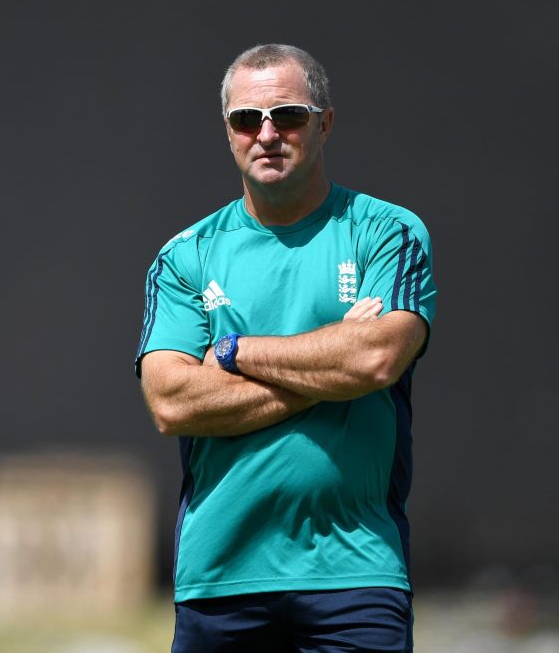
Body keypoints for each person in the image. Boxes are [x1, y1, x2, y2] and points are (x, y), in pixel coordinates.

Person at [136, 43, 435, 652]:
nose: (267, 133)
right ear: (228, 132)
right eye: (247, 119)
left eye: (289, 115)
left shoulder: (388, 231)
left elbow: (375, 359)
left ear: (325, 123)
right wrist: (331, 362)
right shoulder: (185, 255)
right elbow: (171, 403)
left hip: (356, 573)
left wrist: (232, 351)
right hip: (219, 579)